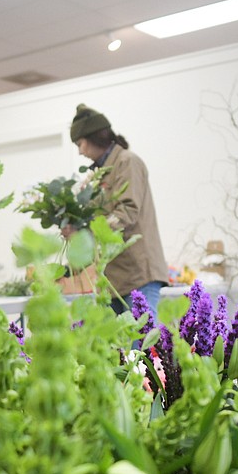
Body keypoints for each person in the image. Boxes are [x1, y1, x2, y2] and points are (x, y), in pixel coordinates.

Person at [68, 104, 170, 316]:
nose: (80, 151)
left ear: (94, 137)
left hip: (138, 275)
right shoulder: (99, 173)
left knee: (139, 347)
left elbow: (127, 212)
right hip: (113, 279)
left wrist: (86, 235)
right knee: (119, 349)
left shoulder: (127, 162)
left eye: (80, 143)